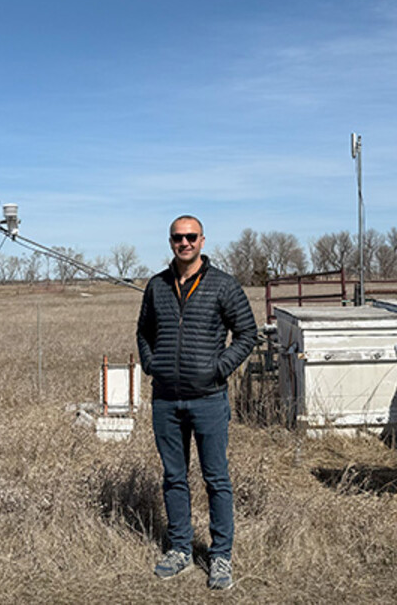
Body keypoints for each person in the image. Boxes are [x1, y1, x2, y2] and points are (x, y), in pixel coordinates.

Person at [136, 215, 257, 591]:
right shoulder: (157, 285)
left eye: (191, 236)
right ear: (171, 241)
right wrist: (152, 364)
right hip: (166, 401)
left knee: (216, 478)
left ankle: (220, 555)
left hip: (208, 400)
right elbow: (143, 332)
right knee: (174, 477)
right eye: (178, 237)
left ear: (203, 240)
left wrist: (217, 369)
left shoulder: (223, 284)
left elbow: (247, 333)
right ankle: (180, 550)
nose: (184, 242)